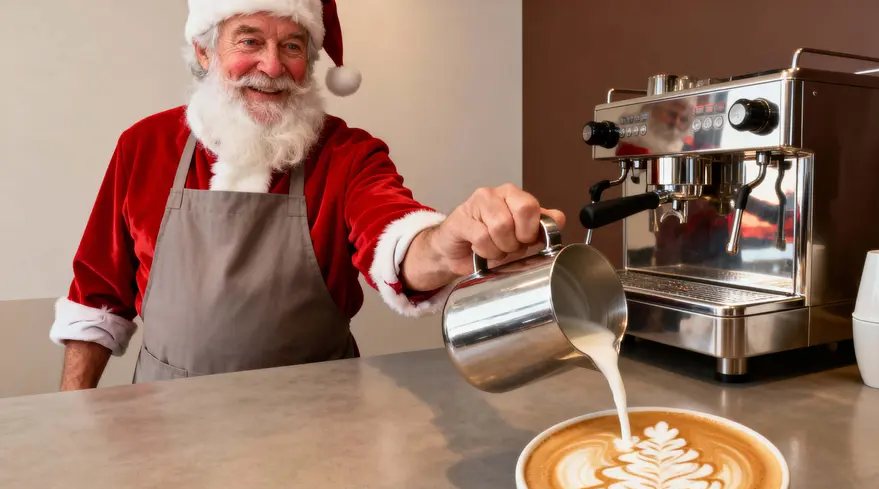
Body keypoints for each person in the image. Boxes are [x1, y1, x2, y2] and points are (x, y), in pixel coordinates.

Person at [49, 0, 565, 391]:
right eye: (248, 41)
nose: (272, 68)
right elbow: (96, 295)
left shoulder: (344, 152)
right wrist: (76, 418)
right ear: (206, 51)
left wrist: (444, 241)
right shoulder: (144, 146)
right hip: (165, 421)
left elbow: (393, 229)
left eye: (292, 46)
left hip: (317, 421)